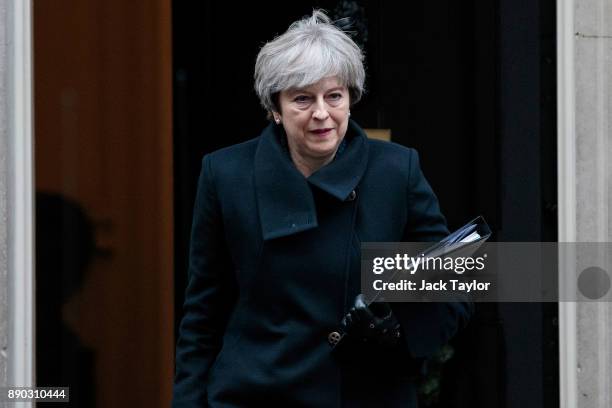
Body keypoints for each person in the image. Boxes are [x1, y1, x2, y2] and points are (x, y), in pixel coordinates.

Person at [172, 10, 471, 407]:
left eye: (334, 96)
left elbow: (456, 285)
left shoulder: (396, 170)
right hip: (257, 393)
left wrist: (395, 328)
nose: (321, 113)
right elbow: (203, 312)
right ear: (274, 108)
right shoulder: (226, 175)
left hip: (366, 394)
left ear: (350, 99)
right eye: (302, 98)